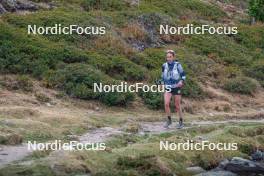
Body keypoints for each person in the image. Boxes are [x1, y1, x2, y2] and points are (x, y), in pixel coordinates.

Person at [162, 50, 186, 129]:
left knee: (177, 105)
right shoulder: (164, 65)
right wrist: (162, 82)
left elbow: (183, 75)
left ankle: (181, 121)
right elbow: (162, 76)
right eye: (167, 57)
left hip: (176, 86)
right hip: (168, 86)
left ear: (173, 57)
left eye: (170, 57)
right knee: (166, 103)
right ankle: (169, 120)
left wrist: (181, 81)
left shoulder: (178, 65)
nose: (168, 58)